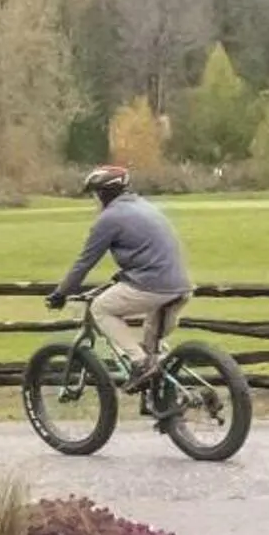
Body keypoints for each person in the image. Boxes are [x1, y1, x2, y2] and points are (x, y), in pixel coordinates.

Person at [48, 165, 195, 388]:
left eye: (95, 194)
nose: (95, 200)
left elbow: (84, 263)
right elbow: (150, 252)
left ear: (104, 193)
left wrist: (61, 293)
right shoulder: (145, 207)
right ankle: (170, 408)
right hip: (181, 286)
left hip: (153, 286)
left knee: (100, 308)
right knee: (154, 348)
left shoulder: (110, 218)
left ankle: (139, 362)